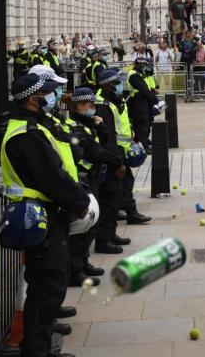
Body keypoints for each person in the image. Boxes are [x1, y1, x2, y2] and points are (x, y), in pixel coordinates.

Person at [0, 74, 90, 357]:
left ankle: (40, 343)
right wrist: (79, 201)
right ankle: (36, 349)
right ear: (32, 98)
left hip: (42, 213)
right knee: (47, 286)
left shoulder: (32, 127)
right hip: (39, 216)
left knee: (48, 284)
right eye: (48, 93)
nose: (53, 97)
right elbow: (51, 176)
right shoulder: (27, 133)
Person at [65, 87, 120, 279]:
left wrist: (101, 128)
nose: (91, 108)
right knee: (82, 224)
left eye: (92, 105)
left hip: (93, 177)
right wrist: (114, 159)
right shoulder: (75, 127)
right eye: (87, 105)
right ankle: (75, 269)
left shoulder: (87, 124)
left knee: (91, 223)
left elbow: (103, 144)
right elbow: (96, 152)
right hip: (83, 178)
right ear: (77, 106)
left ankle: (83, 262)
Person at [95, 67, 152, 228]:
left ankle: (123, 212)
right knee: (121, 184)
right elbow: (109, 135)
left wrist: (132, 132)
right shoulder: (104, 105)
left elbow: (124, 120)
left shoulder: (117, 99)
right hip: (114, 152)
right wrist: (117, 160)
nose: (121, 84)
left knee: (123, 183)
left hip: (122, 149)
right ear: (107, 85)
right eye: (117, 82)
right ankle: (129, 214)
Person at [126, 57, 157, 150]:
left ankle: (144, 142)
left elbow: (147, 88)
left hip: (142, 101)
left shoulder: (139, 74)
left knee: (145, 123)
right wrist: (156, 101)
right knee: (142, 124)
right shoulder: (134, 75)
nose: (146, 67)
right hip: (138, 102)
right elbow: (144, 90)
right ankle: (143, 147)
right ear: (140, 64)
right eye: (144, 65)